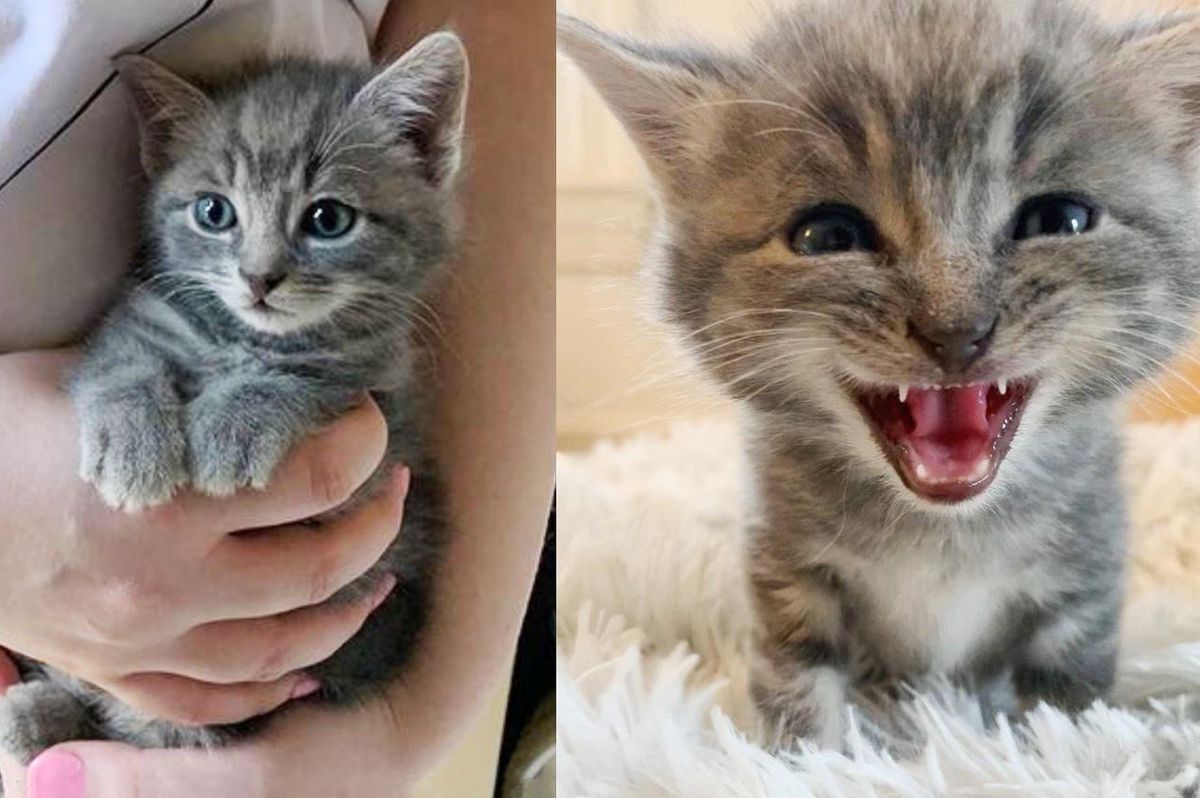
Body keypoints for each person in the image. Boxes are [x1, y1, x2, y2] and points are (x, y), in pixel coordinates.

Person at [0, 0, 554, 795]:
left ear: (428, 151)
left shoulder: (363, 332)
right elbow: (127, 351)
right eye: (218, 214)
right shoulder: (166, 305)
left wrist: (399, 732)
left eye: (324, 218)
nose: (260, 269)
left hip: (295, 704)